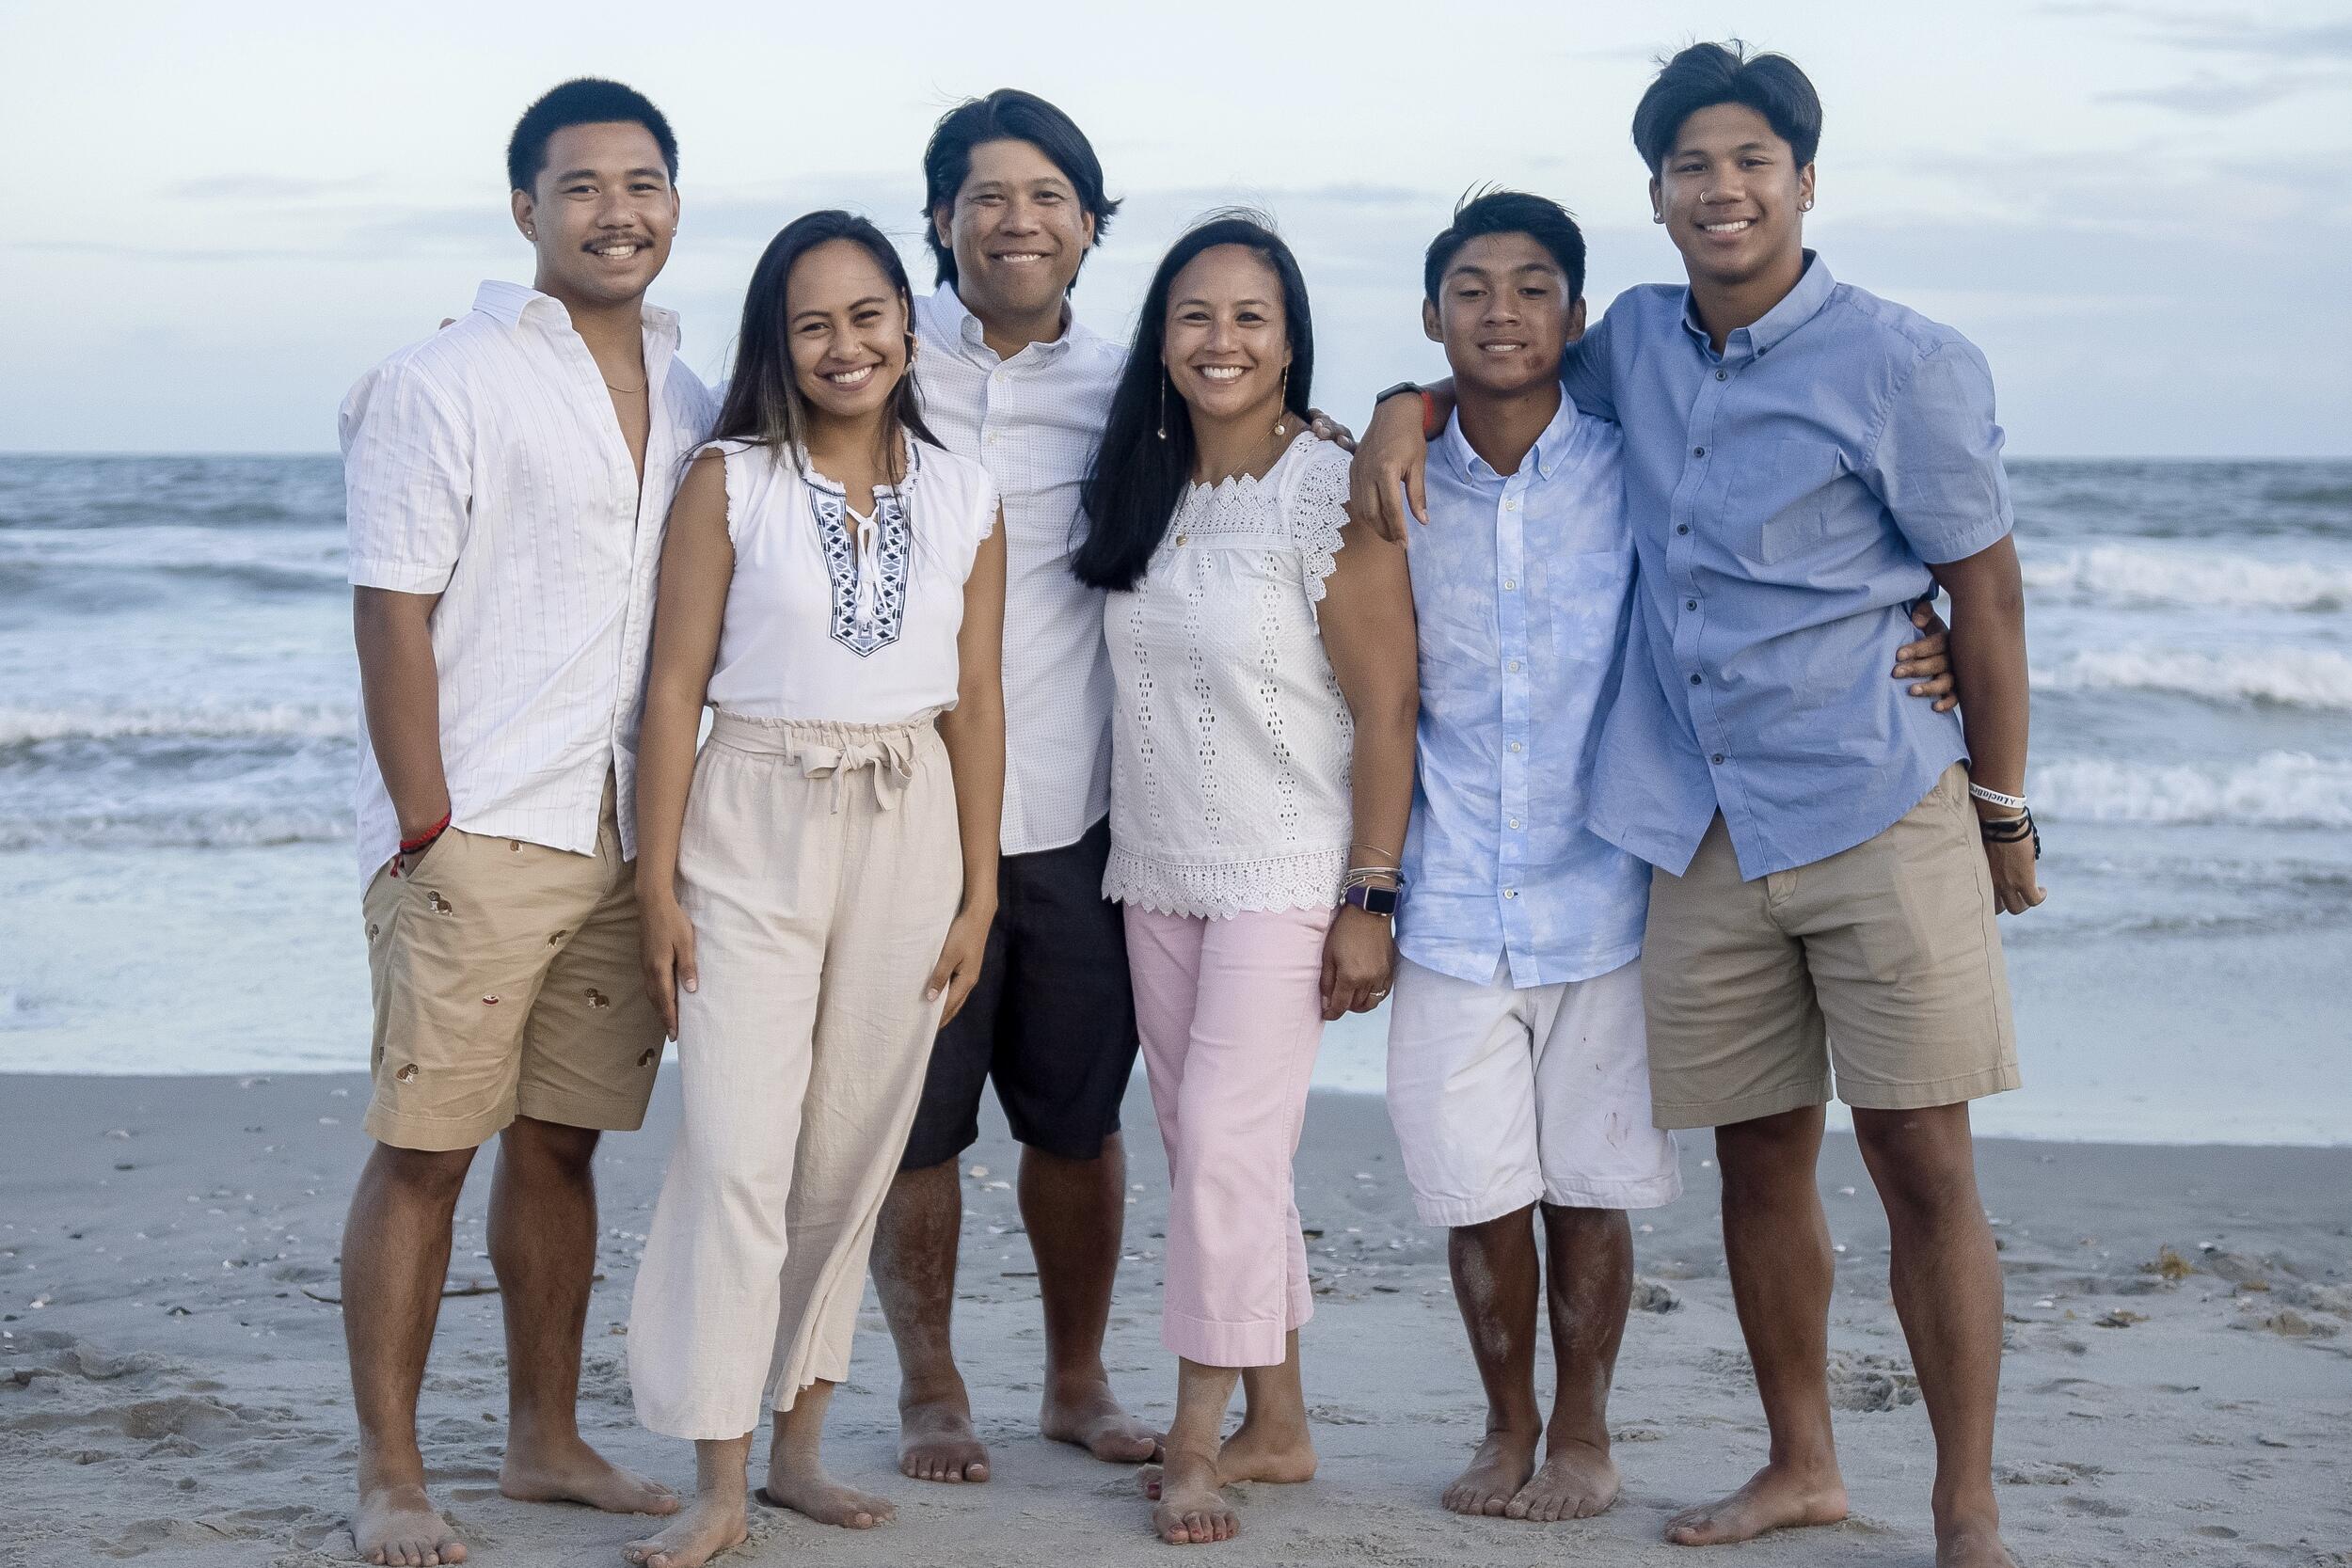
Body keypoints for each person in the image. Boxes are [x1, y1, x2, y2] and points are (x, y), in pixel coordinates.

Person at [1352, 42, 2041, 1568]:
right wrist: (1399, 406)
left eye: (1751, 163)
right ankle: (1803, 1464)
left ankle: (1965, 1502)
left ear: (1805, 181)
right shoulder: (1638, 342)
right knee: (1758, 1159)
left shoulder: (1907, 360)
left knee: (1924, 1155)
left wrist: (2003, 806)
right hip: (1697, 833)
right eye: (1690, 170)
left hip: (1874, 802)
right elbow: (1500, 358)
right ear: (1658, 200)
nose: (1722, 190)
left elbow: (1985, 596)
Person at [337, 77, 707, 1568]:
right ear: (526, 208)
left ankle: (545, 1441)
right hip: (483, 828)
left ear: (675, 201)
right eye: (583, 186)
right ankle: (392, 1473)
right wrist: (428, 826)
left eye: (644, 184)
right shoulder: (448, 380)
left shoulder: (693, 388)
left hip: (626, 836)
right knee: (426, 1151)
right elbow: (392, 615)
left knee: (562, 1148)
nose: (618, 212)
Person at [619, 211, 1007, 1568]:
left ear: (909, 322)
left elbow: (977, 703)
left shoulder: (967, 494)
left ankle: (796, 1453)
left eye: (867, 315)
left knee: (849, 1155)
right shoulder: (733, 479)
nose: (845, 346)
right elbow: (673, 691)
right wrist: (657, 887)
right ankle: (715, 1475)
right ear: (778, 344)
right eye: (813, 323)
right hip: (753, 818)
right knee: (736, 1149)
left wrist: (980, 894)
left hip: (912, 830)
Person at [1073, 214, 1419, 1546]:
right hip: (1154, 869)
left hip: (1287, 872)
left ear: (1289, 342)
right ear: (1163, 339)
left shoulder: (1330, 488)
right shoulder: (1140, 492)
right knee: (1221, 1155)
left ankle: (1201, 1447)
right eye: (1196, 316)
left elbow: (1389, 710)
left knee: (1221, 1149)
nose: (1222, 341)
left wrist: (1370, 896)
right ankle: (1281, 1423)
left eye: (1250, 318)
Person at [873, 88, 1155, 1482]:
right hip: (896, 819)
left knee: (1077, 1118)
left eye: (1048, 195)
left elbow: (1280, 453)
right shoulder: (881, 362)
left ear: (1091, 224)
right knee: (912, 1126)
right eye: (987, 195)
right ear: (940, 222)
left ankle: (1075, 1378)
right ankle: (930, 1386)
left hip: (1077, 815)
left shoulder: (1135, 384)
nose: (1017, 219)